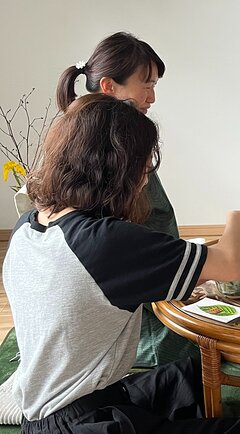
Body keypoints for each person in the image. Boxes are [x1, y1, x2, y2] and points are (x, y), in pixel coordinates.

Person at [2, 94, 240, 434]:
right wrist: (237, 216)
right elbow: (228, 265)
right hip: (83, 433)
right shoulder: (106, 242)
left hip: (49, 415)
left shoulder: (29, 224)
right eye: (144, 163)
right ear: (119, 169)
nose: (147, 175)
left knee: (188, 376)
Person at [49, 31, 194, 368]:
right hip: (132, 298)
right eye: (147, 84)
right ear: (109, 87)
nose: (152, 97)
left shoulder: (101, 138)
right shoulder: (109, 154)